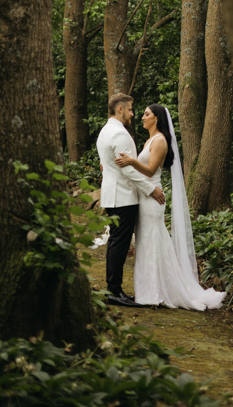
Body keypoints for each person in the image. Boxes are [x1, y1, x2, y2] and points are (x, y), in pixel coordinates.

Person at [116, 103, 226, 311]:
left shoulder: (159, 140)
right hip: (145, 195)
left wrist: (131, 161)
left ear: (156, 118)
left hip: (152, 198)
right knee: (147, 241)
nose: (142, 117)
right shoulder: (150, 139)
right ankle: (148, 290)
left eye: (146, 114)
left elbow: (149, 171)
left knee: (152, 241)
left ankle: (155, 292)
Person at [96, 92, 165, 308]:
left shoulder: (105, 131)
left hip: (112, 194)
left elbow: (107, 164)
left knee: (116, 242)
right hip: (123, 196)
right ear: (120, 109)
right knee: (119, 243)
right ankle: (114, 291)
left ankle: (113, 288)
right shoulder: (120, 134)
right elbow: (127, 171)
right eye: (130, 110)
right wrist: (150, 189)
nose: (132, 114)